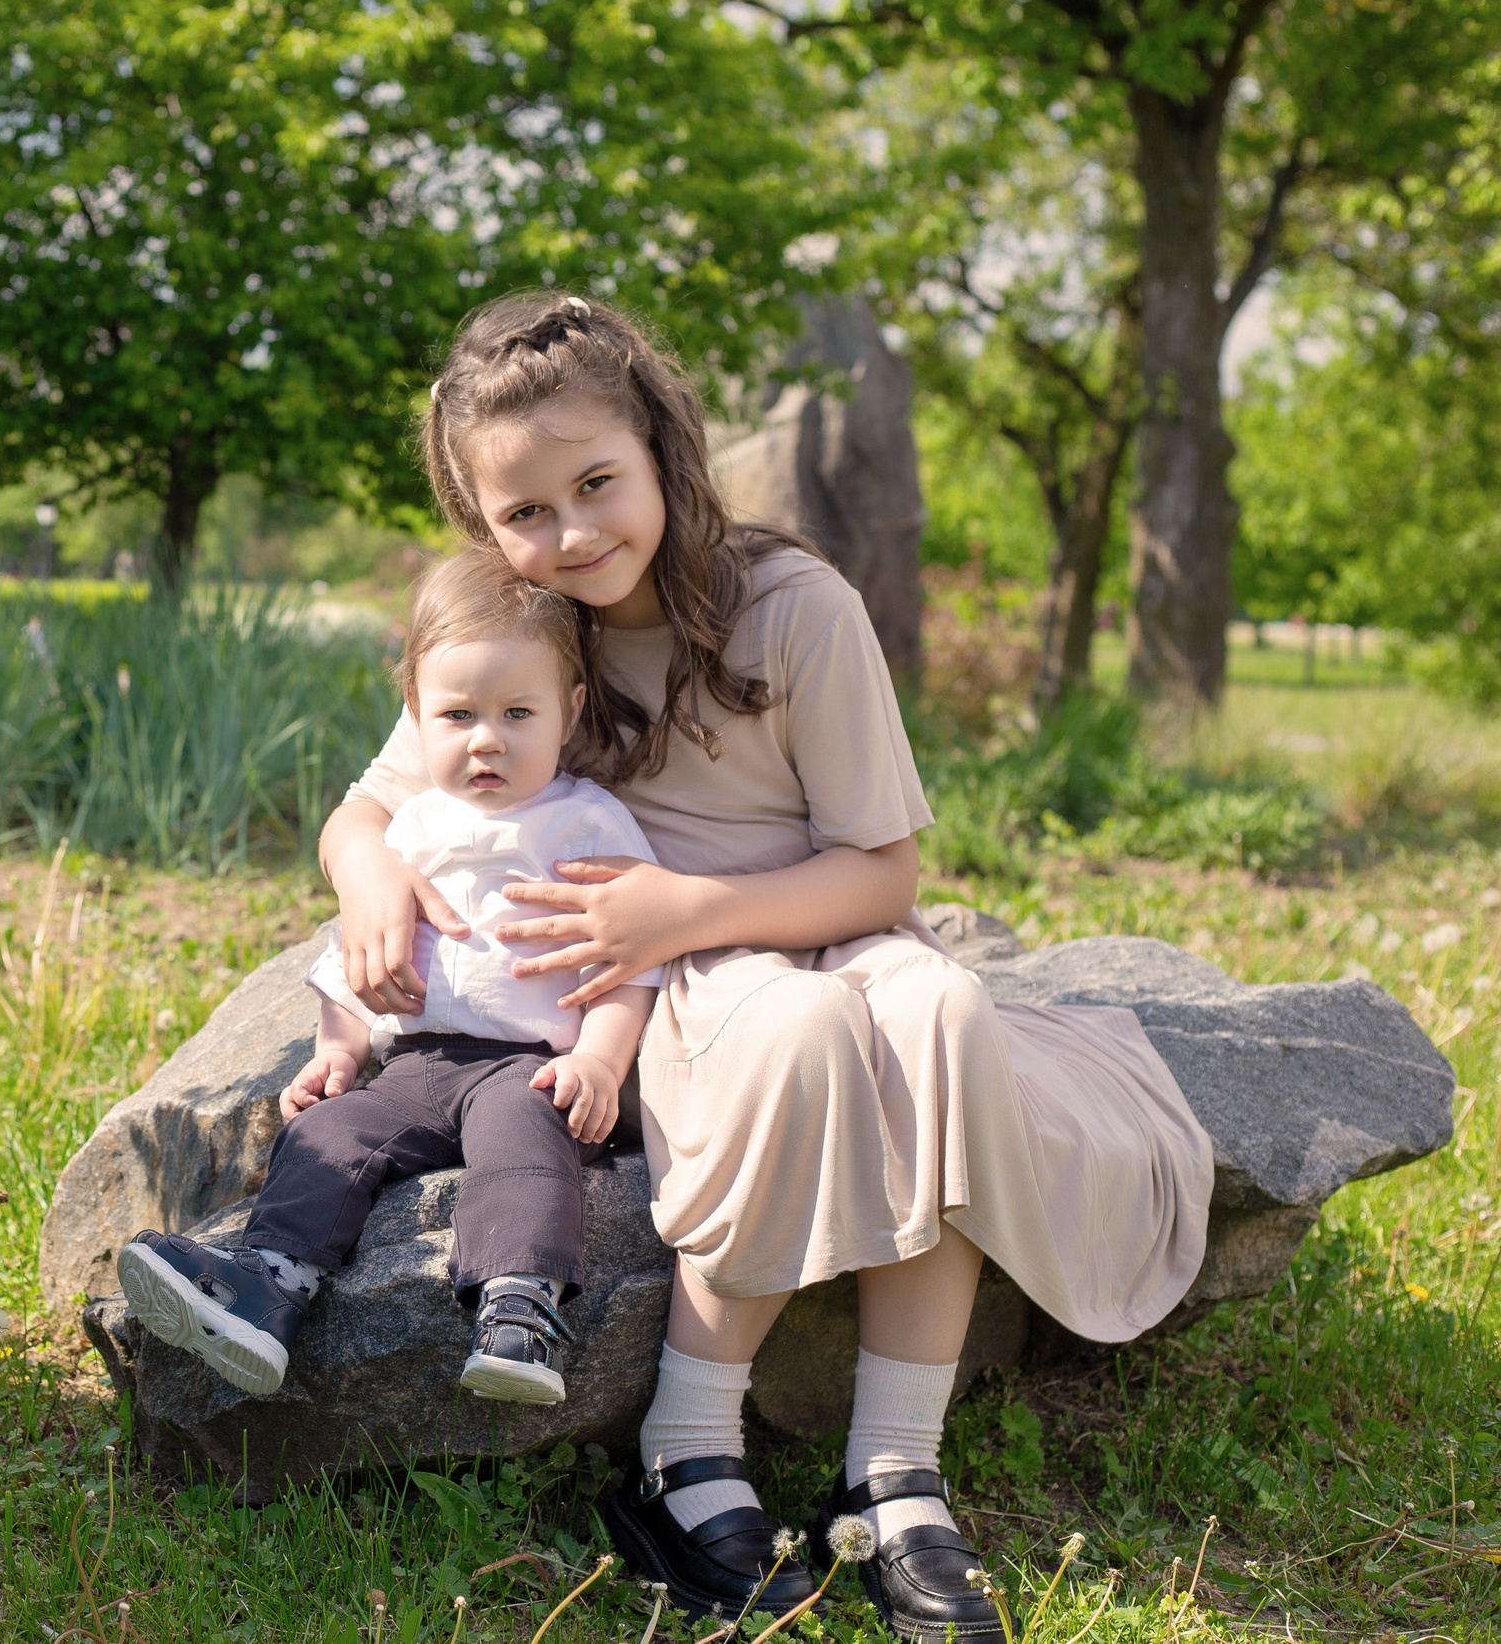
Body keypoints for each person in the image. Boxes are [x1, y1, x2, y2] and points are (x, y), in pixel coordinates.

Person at [319, 293, 1213, 1639]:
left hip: (803, 916)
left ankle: (897, 1467)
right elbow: (367, 808)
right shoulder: (529, 631)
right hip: (676, 983)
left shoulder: (796, 607)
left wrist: (685, 902)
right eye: (524, 512)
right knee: (796, 1029)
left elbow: (885, 871)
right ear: (480, 520)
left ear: (663, 452)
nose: (569, 533)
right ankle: (684, 1453)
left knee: (943, 1008)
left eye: (597, 484)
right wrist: (372, 880)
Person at [117, 548, 664, 1407]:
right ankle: (269, 1286)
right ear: (416, 714)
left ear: (571, 709)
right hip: (415, 1063)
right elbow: (357, 952)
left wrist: (599, 1059)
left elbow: (631, 962)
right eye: (458, 714)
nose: (488, 737)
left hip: (529, 1061)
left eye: (519, 712)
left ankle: (518, 1304)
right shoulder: (407, 829)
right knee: (328, 1135)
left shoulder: (587, 819)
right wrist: (337, 1049)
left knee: (525, 1142)